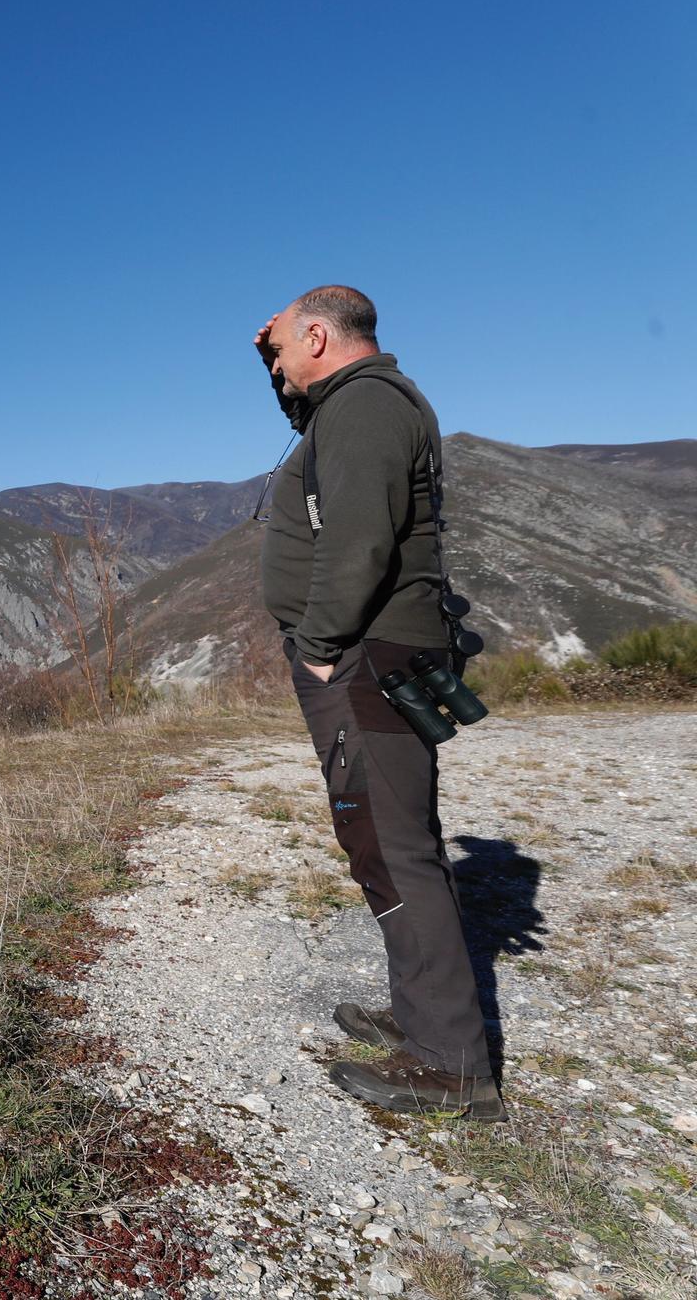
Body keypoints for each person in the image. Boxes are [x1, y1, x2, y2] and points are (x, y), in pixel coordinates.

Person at [253, 287, 502, 1120]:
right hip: (371, 654)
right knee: (390, 840)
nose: (280, 360)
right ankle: (426, 1016)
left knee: (392, 847)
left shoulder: (363, 409)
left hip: (362, 658)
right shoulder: (356, 406)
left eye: (285, 346)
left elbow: (358, 540)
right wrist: (274, 369)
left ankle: (452, 1063)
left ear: (319, 335)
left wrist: (321, 649)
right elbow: (313, 434)